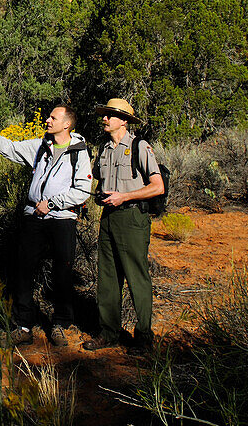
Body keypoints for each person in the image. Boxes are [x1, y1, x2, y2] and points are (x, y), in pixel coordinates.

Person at [0, 106, 92, 347]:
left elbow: (82, 190)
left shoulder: (79, 152)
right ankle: (23, 326)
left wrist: (53, 203)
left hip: (63, 218)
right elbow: (11, 149)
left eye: (53, 118)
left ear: (66, 124)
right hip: (33, 215)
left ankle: (60, 324)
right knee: (23, 270)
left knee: (62, 272)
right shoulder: (40, 145)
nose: (48, 120)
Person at [82, 98, 164, 352]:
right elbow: (98, 181)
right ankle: (109, 332)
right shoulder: (104, 149)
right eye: (105, 114)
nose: (105, 119)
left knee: (136, 276)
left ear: (124, 121)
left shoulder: (140, 147)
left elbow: (157, 186)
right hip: (108, 217)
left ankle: (143, 336)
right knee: (107, 277)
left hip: (131, 217)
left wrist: (125, 196)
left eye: (110, 115)